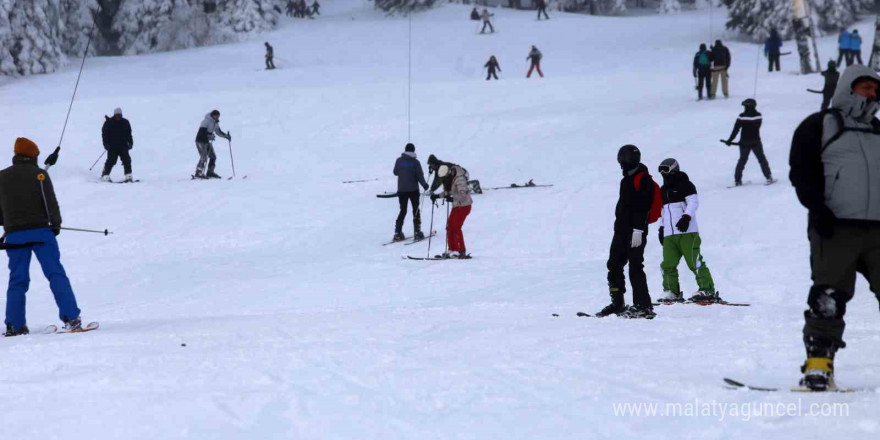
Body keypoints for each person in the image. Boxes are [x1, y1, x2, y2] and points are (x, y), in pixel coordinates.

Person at [789, 65, 880, 391]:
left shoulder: (877, 130)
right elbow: (800, 170)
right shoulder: (820, 125)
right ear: (847, 88)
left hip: (878, 230)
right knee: (828, 296)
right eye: (864, 87)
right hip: (835, 228)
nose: (870, 94)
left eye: (874, 88)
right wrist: (818, 209)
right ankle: (818, 365)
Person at [0, 138, 84, 336]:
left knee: (17, 280)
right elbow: (50, 204)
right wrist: (55, 225)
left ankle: (14, 325)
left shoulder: (1, 177)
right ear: (32, 155)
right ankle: (72, 318)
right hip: (41, 233)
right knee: (55, 274)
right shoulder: (40, 174)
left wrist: (9, 225)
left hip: (14, 236)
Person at [597, 145, 656, 319]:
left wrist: (638, 229)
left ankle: (643, 306)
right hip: (621, 230)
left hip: (635, 231)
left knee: (635, 266)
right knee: (614, 264)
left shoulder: (643, 179)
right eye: (621, 158)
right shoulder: (626, 180)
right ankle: (618, 303)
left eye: (626, 158)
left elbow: (643, 207)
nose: (623, 162)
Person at [656, 158, 718, 304]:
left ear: (674, 169)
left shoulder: (685, 184)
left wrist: (686, 217)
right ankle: (672, 291)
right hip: (670, 234)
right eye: (661, 170)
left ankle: (707, 289)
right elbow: (661, 211)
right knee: (667, 264)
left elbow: (693, 202)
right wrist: (661, 228)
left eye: (665, 169)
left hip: (687, 232)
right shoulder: (663, 190)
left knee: (694, 262)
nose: (663, 173)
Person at [427, 156, 472, 259]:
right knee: (449, 227)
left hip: (464, 206)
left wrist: (453, 199)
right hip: (458, 206)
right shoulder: (450, 178)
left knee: (455, 228)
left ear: (448, 173)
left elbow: (463, 194)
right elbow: (449, 192)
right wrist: (437, 196)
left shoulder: (459, 179)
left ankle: (461, 251)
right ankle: (452, 249)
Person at [723, 99, 774, 186]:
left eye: (745, 106)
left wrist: (729, 140)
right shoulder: (759, 116)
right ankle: (768, 177)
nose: (744, 108)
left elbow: (736, 130)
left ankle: (737, 180)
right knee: (761, 159)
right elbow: (755, 127)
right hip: (756, 142)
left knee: (742, 161)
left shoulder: (741, 116)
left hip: (744, 143)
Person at [392, 143, 429, 242]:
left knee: (403, 210)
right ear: (413, 150)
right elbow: (419, 176)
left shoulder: (399, 161)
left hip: (402, 190)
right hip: (413, 190)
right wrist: (424, 185)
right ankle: (417, 232)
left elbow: (395, 172)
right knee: (415, 210)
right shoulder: (415, 162)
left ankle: (397, 232)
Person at [194, 110, 231, 179]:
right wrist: (209, 136)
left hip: (207, 141)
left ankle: (210, 172)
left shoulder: (215, 123)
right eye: (216, 116)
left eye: (218, 116)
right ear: (212, 115)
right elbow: (201, 132)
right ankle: (198, 172)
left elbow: (218, 132)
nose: (217, 117)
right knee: (204, 156)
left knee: (213, 156)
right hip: (200, 141)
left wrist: (226, 136)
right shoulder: (206, 121)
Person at [101, 107, 134, 183]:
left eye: (119, 115)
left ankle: (128, 175)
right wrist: (105, 144)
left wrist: (130, 142)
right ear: (114, 115)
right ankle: (105, 175)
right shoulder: (109, 122)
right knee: (111, 161)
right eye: (116, 115)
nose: (118, 117)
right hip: (112, 146)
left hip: (123, 146)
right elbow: (104, 134)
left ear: (121, 115)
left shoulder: (125, 122)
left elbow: (129, 134)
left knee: (127, 160)